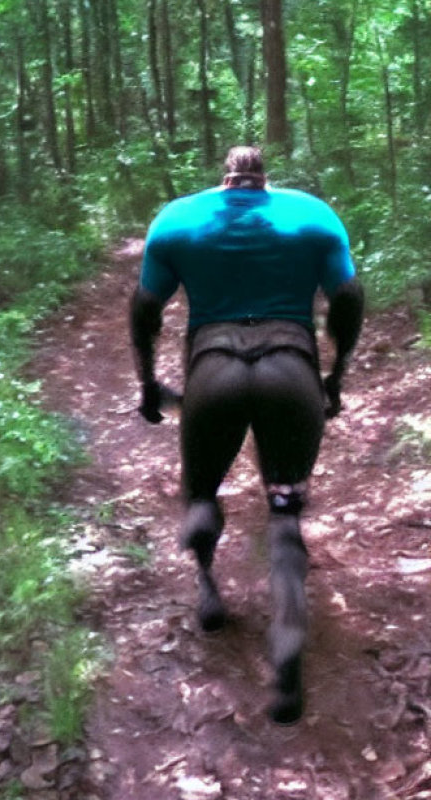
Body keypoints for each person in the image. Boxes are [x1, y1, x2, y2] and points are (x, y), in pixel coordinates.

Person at [129, 145, 364, 724]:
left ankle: (208, 590)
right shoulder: (312, 213)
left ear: (224, 179)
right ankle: (286, 650)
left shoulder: (178, 218)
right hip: (291, 363)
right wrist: (334, 376)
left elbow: (144, 310)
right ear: (265, 180)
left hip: (214, 366)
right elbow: (350, 297)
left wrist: (147, 382)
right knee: (284, 507)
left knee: (203, 489)